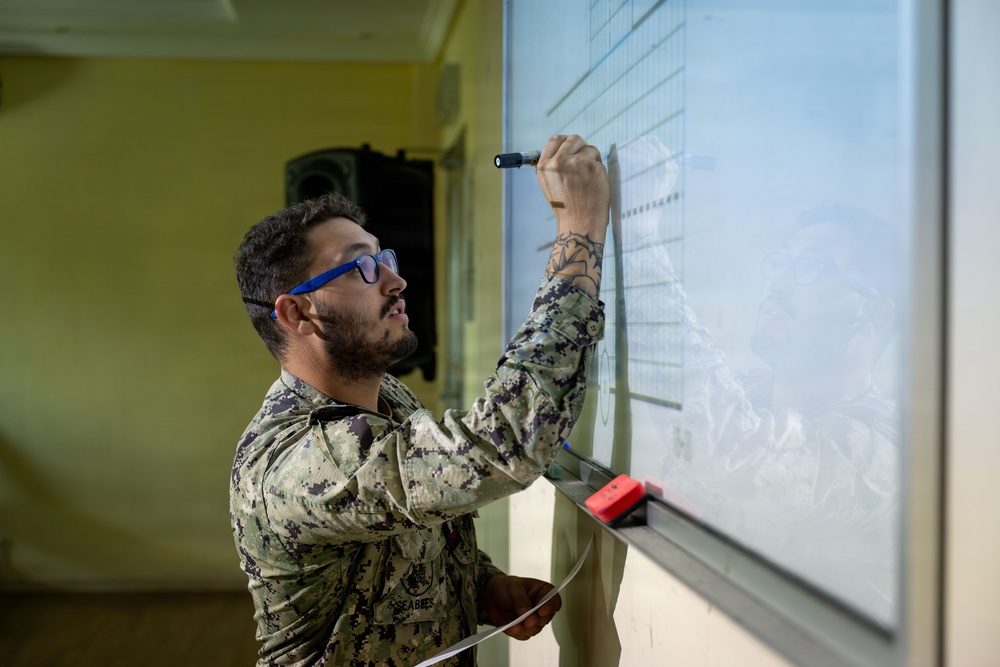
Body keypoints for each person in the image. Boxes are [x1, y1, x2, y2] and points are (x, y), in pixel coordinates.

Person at [230, 134, 609, 666]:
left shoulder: (385, 396)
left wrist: (482, 587)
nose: (396, 280)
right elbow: (502, 443)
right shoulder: (302, 461)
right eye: (361, 268)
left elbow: (391, 540)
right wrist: (579, 228)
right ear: (297, 314)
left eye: (384, 258)